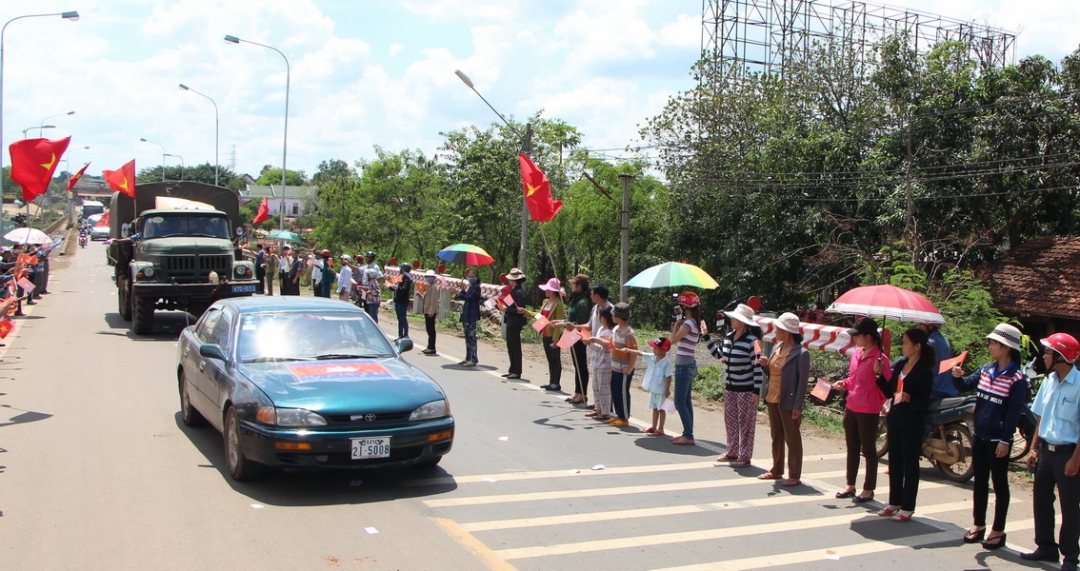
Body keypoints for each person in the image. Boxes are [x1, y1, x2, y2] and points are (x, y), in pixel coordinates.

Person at [949, 323, 1028, 547]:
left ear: (1006, 348)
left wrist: (1005, 439)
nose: (990, 346)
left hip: (998, 440)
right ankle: (978, 524)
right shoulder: (986, 369)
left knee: (1000, 483)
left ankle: (998, 530)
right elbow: (965, 386)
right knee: (980, 481)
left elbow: (1014, 412)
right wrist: (956, 376)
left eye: (994, 343)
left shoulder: (1016, 379)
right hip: (980, 435)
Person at [1024, 332, 1080, 570]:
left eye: (1048, 352)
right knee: (1042, 502)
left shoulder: (1079, 386)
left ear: (1060, 356)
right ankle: (1046, 547)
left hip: (1068, 454)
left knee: (1070, 508)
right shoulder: (1048, 382)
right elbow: (1041, 418)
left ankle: (1070, 557)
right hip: (1046, 451)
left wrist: (1076, 459)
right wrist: (1034, 448)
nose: (1044, 356)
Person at [876, 328, 935, 523]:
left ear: (917, 347)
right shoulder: (901, 364)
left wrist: (909, 397)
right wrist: (879, 376)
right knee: (895, 462)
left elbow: (924, 402)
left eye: (906, 343)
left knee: (910, 464)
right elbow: (890, 391)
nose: (902, 346)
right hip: (895, 418)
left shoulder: (924, 371)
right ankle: (894, 501)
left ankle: (908, 506)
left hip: (912, 421)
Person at [831, 317, 890, 503]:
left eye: (858, 335)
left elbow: (886, 387)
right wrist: (844, 383)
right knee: (852, 447)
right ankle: (850, 484)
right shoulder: (856, 354)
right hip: (852, 405)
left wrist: (875, 398)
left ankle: (868, 488)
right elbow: (853, 379)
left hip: (868, 409)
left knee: (869, 450)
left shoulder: (881, 359)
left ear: (869, 336)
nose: (854, 339)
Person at [708, 303, 763, 466]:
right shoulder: (728, 337)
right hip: (730, 387)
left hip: (746, 389)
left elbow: (758, 366)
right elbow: (718, 355)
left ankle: (745, 455)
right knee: (730, 420)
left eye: (735, 319)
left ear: (744, 322)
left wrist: (756, 390)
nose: (732, 321)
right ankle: (732, 451)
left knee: (746, 423)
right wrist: (706, 337)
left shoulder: (753, 341)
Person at [758, 312, 809, 487]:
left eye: (778, 328)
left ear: (787, 331)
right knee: (776, 435)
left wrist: (798, 405)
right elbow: (772, 374)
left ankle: (794, 474)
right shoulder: (775, 348)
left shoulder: (801, 353)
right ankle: (776, 469)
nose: (775, 331)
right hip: (772, 397)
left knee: (792, 437)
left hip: (789, 399)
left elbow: (802, 383)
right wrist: (765, 366)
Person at [670, 292, 706, 446]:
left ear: (685, 307)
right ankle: (688, 433)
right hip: (689, 364)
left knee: (679, 402)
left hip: (683, 366)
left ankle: (688, 435)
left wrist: (677, 326)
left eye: (681, 306)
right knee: (686, 401)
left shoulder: (688, 324)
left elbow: (673, 340)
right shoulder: (695, 323)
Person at [628, 337, 674, 435]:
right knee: (654, 408)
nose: (654, 349)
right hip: (653, 388)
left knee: (661, 409)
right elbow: (641, 353)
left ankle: (661, 428)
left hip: (661, 390)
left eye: (656, 348)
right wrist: (628, 350)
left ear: (663, 350)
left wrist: (667, 389)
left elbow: (669, 376)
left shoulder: (666, 362)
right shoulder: (653, 357)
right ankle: (653, 426)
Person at [608, 302, 638, 428]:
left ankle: (624, 417)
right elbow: (610, 344)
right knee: (614, 391)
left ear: (619, 317)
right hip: (614, 366)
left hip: (624, 369)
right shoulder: (615, 330)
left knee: (622, 392)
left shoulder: (629, 333)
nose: (612, 317)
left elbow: (634, 352)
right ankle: (618, 415)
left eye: (614, 315)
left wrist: (630, 367)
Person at [535, 277, 566, 392]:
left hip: (553, 334)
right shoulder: (546, 302)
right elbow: (540, 316)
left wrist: (556, 339)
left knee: (555, 358)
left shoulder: (558, 304)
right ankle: (551, 381)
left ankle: (556, 382)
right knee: (549, 358)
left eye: (548, 289)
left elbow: (558, 322)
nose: (546, 291)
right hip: (545, 333)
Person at [565, 275, 592, 405]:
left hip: (580, 334)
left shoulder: (583, 302)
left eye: (573, 284)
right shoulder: (575, 300)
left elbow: (581, 322)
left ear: (579, 286)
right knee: (576, 364)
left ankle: (583, 393)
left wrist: (571, 325)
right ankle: (577, 391)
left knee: (581, 363)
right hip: (572, 333)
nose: (571, 286)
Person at [586, 307, 615, 421]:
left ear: (602, 318)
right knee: (595, 386)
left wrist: (592, 342)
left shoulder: (610, 332)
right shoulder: (600, 330)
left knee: (604, 388)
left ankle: (605, 411)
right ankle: (598, 408)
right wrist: (589, 343)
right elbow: (596, 348)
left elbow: (605, 348)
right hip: (596, 362)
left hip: (605, 363)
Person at [502, 268, 528, 379]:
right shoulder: (514, 290)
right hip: (510, 321)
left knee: (515, 347)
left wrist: (507, 310)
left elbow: (520, 310)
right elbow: (510, 305)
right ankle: (512, 369)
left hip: (515, 322)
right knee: (510, 346)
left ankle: (517, 371)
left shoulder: (519, 292)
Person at [921, 323, 956, 400]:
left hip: (933, 392)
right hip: (947, 389)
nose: (918, 327)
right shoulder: (945, 340)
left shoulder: (929, 343)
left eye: (921, 324)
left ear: (930, 326)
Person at [455, 268, 482, 367]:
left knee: (472, 338)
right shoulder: (470, 287)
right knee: (467, 337)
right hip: (466, 314)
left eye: (472, 276)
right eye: (469, 276)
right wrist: (462, 289)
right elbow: (465, 296)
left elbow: (469, 298)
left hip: (472, 315)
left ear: (476, 277)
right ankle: (468, 357)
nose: (470, 278)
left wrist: (460, 293)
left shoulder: (476, 288)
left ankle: (474, 359)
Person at [359, 251, 384, 321]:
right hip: (368, 297)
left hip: (373, 300)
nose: (365, 259)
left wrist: (370, 290)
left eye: (367, 257)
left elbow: (376, 291)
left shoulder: (375, 268)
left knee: (373, 315)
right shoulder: (367, 267)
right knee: (367, 311)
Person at [419, 269, 439, 354]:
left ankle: (431, 347)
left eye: (429, 277)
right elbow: (426, 298)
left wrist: (431, 311)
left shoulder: (434, 287)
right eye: (426, 277)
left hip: (430, 311)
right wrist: (420, 296)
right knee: (428, 328)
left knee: (431, 329)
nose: (427, 278)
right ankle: (429, 346)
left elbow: (434, 301)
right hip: (427, 310)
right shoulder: (429, 286)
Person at [393, 263, 413, 339]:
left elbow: (404, 289)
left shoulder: (407, 279)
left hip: (402, 301)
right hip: (397, 300)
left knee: (402, 317)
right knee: (399, 318)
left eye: (400, 269)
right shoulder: (400, 277)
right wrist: (390, 286)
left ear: (403, 270)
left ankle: (405, 334)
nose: (399, 270)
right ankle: (400, 334)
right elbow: (395, 286)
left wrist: (397, 287)